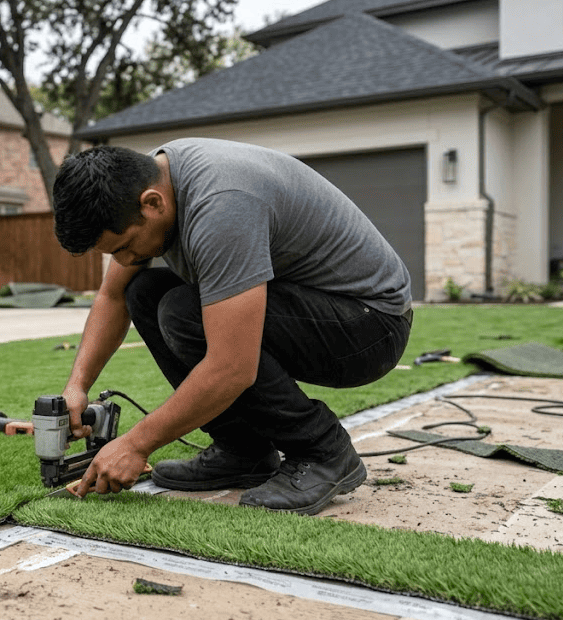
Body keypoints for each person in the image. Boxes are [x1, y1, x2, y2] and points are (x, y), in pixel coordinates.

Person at [52, 138, 413, 515]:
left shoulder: (221, 205)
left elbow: (232, 368)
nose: (125, 260)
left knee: (182, 313)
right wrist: (77, 386)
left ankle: (323, 451)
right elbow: (112, 296)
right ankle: (243, 451)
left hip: (371, 326)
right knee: (143, 292)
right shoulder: (147, 179)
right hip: (323, 306)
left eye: (124, 247)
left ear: (153, 203)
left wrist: (135, 444)